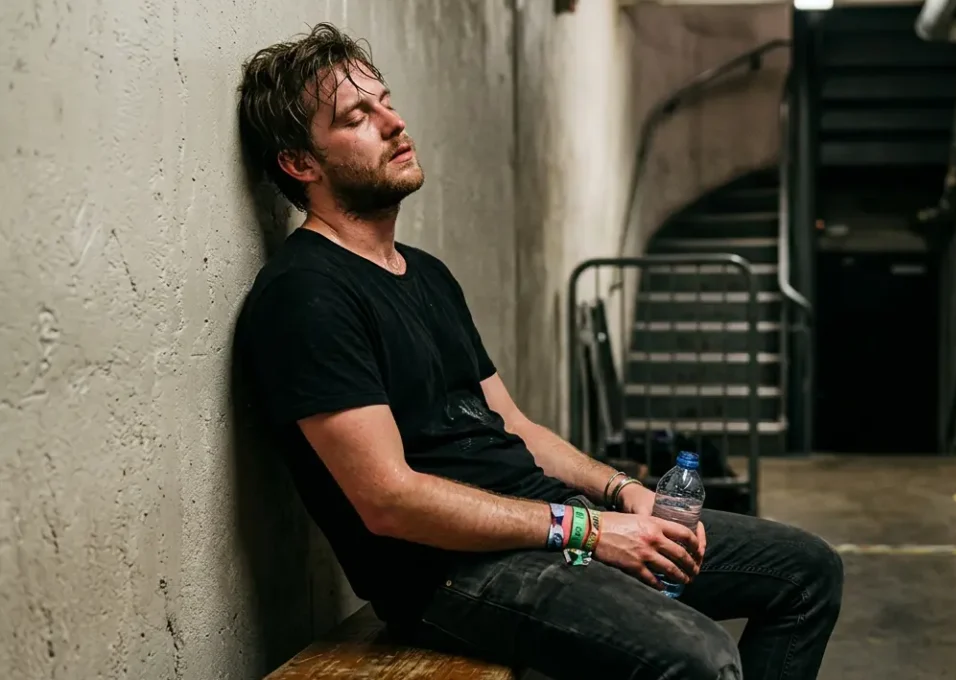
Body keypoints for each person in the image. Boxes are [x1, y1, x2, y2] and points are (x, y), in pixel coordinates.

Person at [234, 23, 843, 680]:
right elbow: (388, 500)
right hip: (451, 572)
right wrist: (588, 532)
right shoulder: (305, 296)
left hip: (548, 525)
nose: (393, 121)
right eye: (358, 116)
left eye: (385, 100)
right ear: (300, 163)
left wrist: (623, 491)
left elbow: (514, 426)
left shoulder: (424, 273)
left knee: (807, 572)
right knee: (700, 659)